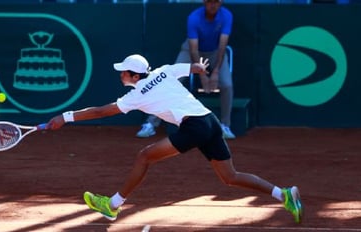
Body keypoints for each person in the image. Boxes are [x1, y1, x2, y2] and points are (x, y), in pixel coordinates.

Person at [46, 54, 303, 223]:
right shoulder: (164, 71)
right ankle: (284, 195)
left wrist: (65, 117)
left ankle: (113, 205)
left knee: (144, 156)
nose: (121, 74)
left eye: (124, 72)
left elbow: (101, 111)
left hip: (195, 126)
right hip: (210, 121)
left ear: (135, 77)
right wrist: (200, 67)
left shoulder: (135, 96)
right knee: (230, 177)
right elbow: (193, 67)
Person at [136, 0, 236, 139]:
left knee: (227, 85)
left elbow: (222, 45)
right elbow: (194, 50)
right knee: (171, 80)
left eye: (216, 1)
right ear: (204, 2)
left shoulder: (226, 16)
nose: (213, 5)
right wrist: (202, 76)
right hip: (191, 52)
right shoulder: (194, 18)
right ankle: (151, 123)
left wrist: (215, 72)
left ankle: (225, 125)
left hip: (215, 53)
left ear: (221, 2)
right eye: (209, 1)